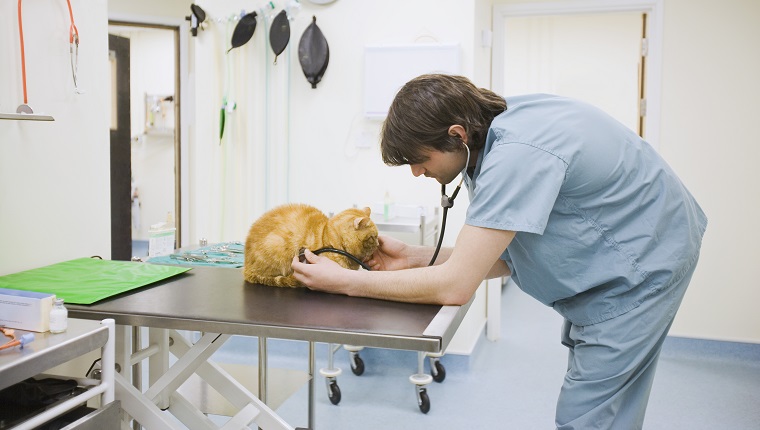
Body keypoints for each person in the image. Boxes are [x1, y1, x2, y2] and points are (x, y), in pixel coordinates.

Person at [292, 74, 707, 429]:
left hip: (642, 265)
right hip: (636, 246)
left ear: (456, 134)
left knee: (588, 414)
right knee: (611, 405)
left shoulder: (516, 155)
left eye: (419, 160)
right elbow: (511, 253)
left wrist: (348, 282)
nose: (417, 172)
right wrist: (414, 256)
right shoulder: (492, 137)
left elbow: (456, 285)